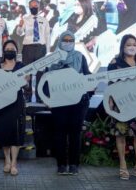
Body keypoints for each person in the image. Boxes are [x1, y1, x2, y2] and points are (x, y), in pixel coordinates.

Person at [49, 31, 91, 175]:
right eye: (65, 40)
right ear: (60, 41)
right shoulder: (52, 59)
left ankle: (73, 164)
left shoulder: (80, 57)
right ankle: (61, 165)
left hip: (77, 103)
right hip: (59, 102)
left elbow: (87, 75)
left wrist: (89, 93)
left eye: (70, 40)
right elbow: (45, 80)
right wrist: (47, 99)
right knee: (59, 134)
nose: (67, 42)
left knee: (75, 135)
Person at [107, 34, 136, 180]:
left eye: (134, 45)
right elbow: (110, 83)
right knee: (121, 134)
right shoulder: (115, 62)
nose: (132, 47)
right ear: (123, 46)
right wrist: (110, 100)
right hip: (120, 104)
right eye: (128, 44)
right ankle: (123, 166)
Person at [0, 40, 27, 176]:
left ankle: (14, 163)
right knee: (4, 133)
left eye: (12, 48)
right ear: (3, 50)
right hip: (1, 104)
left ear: (16, 51)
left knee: (16, 133)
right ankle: (7, 161)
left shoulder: (21, 66)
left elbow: (27, 87)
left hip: (16, 103)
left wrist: (26, 82)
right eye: (8, 48)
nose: (10, 50)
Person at [17, 0, 50, 102]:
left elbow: (47, 36)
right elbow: (19, 33)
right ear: (29, 7)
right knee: (27, 73)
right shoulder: (25, 19)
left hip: (41, 48)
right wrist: (20, 25)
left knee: (41, 73)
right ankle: (27, 95)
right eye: (32, 6)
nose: (34, 7)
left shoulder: (44, 20)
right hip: (28, 48)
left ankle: (40, 97)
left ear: (39, 7)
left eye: (36, 6)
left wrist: (48, 51)